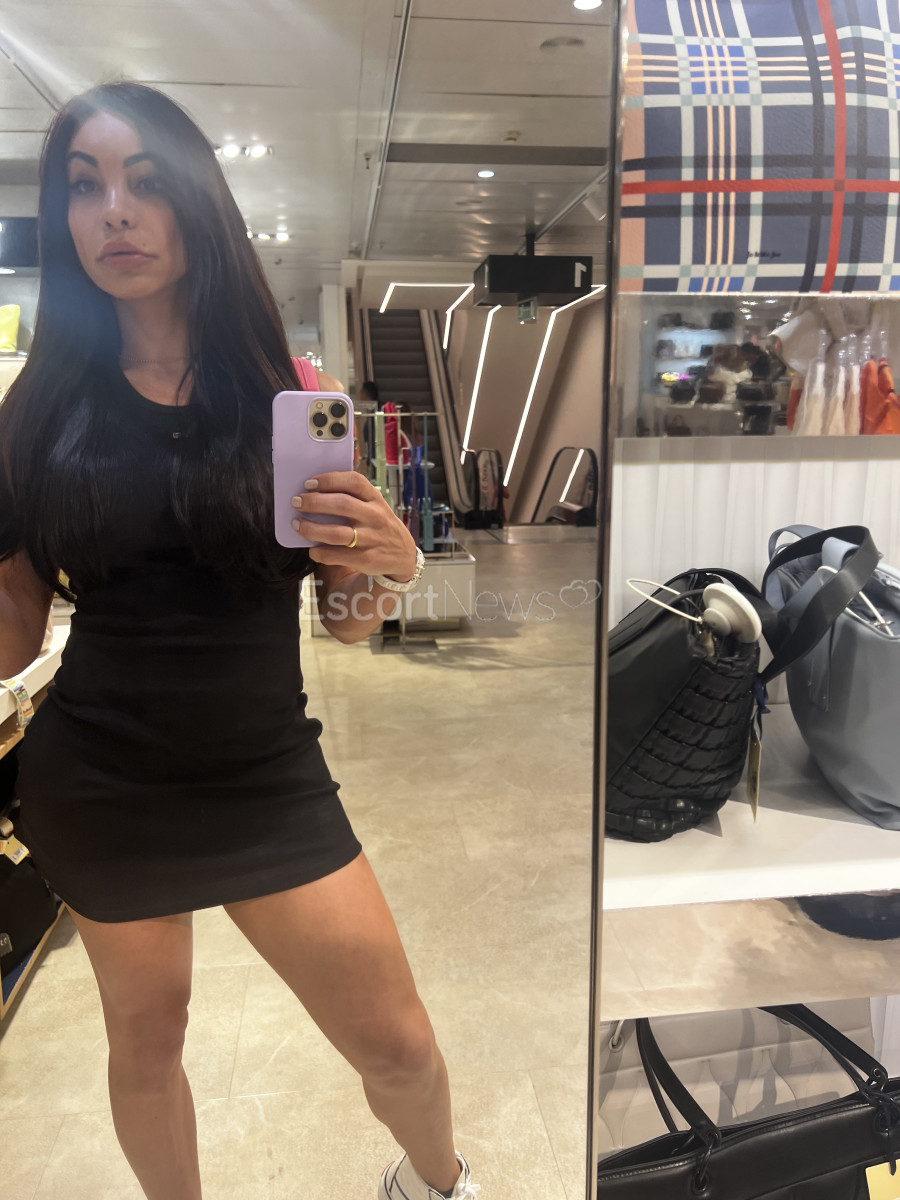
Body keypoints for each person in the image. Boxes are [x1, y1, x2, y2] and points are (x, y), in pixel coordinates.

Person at [0, 83, 477, 1200]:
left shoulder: (292, 396)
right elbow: (13, 640)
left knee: (399, 1043)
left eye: (144, 182)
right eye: (85, 187)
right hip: (102, 781)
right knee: (146, 1042)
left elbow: (345, 624)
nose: (115, 211)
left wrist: (389, 566)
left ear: (197, 205)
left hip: (266, 774)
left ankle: (439, 1186)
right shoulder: (34, 412)